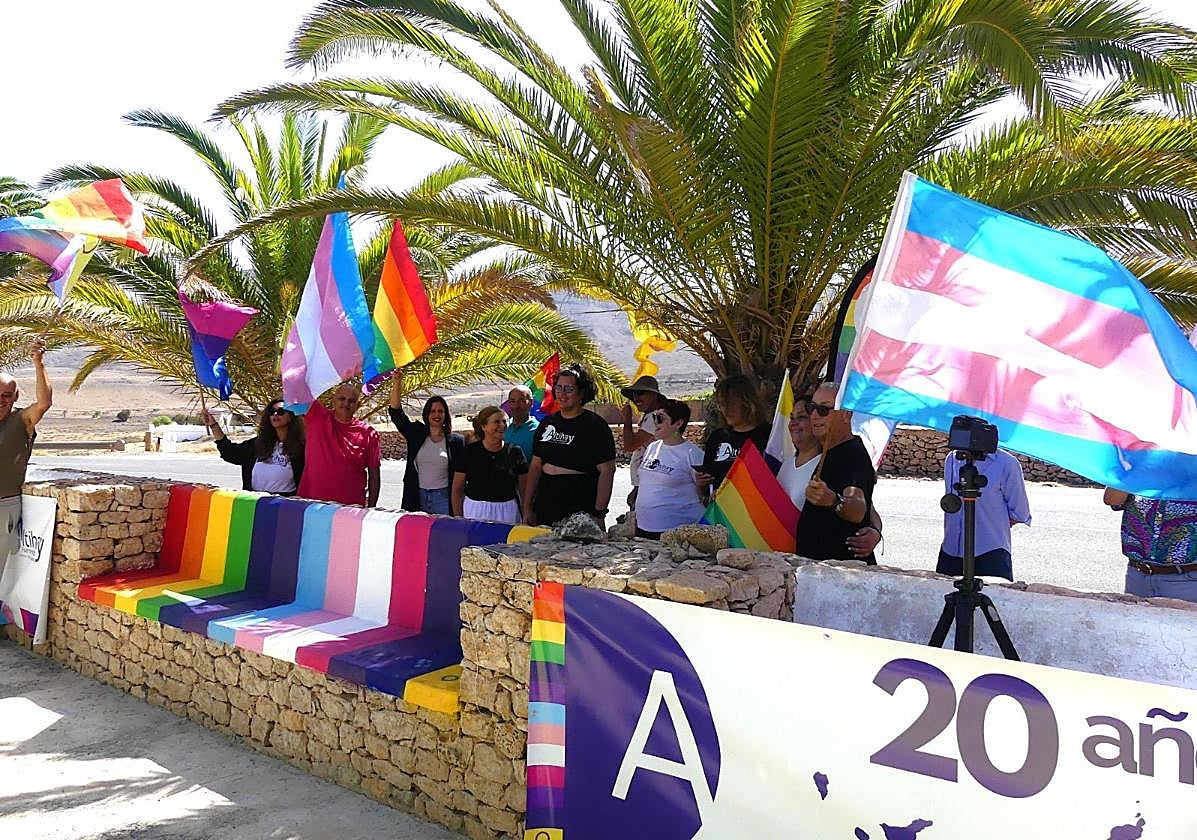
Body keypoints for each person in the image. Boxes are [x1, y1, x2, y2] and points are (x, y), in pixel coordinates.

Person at [781, 396, 881, 560]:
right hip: (801, 567)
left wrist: (875, 532)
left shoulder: (848, 453)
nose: (815, 415)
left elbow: (862, 507)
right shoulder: (789, 462)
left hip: (836, 571)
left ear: (846, 414)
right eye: (811, 409)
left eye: (823, 410)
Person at [522, 363, 617, 528]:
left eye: (569, 389)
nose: (562, 394)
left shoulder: (595, 426)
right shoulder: (547, 423)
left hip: (579, 504)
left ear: (581, 393)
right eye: (558, 388)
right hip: (546, 504)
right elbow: (536, 466)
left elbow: (607, 471)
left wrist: (599, 514)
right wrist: (527, 507)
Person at [937, 448, 1031, 581]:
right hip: (950, 550)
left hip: (990, 553)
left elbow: (1020, 513)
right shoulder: (952, 458)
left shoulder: (1006, 463)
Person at [0, 338, 52, 568]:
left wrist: (38, 363)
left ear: (16, 397)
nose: (1, 400)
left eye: (6, 395)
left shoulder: (21, 420)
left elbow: (44, 402)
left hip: (4, 507)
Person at [389, 374, 465, 515]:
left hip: (444, 499)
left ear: (446, 415)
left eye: (440, 411)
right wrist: (397, 382)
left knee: (442, 535)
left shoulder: (456, 442)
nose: (436, 415)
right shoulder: (416, 434)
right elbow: (396, 413)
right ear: (426, 414)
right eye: (433, 411)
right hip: (417, 496)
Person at [1105, 488, 1197, 602]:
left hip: (1188, 580)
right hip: (1138, 575)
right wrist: (1130, 472)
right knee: (1133, 619)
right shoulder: (1141, 472)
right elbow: (1112, 499)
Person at [297, 384, 381, 507]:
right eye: (342, 399)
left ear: (357, 406)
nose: (346, 404)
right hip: (312, 505)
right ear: (333, 401)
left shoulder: (368, 433)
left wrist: (372, 507)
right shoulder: (317, 417)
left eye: (351, 401)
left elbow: (374, 473)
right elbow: (298, 387)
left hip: (350, 508)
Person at [634, 399, 706, 539]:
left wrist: (701, 485)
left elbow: (703, 493)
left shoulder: (692, 453)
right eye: (654, 417)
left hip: (675, 530)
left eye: (660, 418)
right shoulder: (652, 448)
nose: (655, 422)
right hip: (644, 527)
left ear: (678, 423)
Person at [204, 401, 305, 495]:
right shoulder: (257, 444)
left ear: (291, 417)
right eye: (272, 412)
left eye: (281, 411)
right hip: (255, 503)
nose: (275, 414)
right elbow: (230, 453)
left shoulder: (301, 448)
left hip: (285, 505)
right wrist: (213, 425)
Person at [452, 405, 528, 523]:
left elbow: (524, 490)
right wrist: (457, 518)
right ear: (484, 426)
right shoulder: (469, 452)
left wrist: (527, 514)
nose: (502, 425)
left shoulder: (515, 452)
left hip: (507, 512)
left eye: (504, 421)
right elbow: (457, 489)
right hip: (475, 512)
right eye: (497, 422)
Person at [697, 374, 771, 491]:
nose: (725, 410)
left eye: (731, 404)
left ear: (747, 402)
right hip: (722, 507)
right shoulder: (717, 437)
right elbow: (708, 480)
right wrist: (701, 484)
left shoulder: (769, 435)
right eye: (721, 404)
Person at [620, 374, 668, 510]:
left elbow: (630, 446)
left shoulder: (655, 417)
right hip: (646, 482)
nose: (636, 398)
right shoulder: (652, 416)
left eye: (640, 393)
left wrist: (627, 419)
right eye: (634, 394)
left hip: (650, 483)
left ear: (654, 395)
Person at [503, 384, 539, 461]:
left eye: (522, 401)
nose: (516, 406)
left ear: (531, 403)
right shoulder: (503, 427)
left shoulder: (539, 430)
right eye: (512, 401)